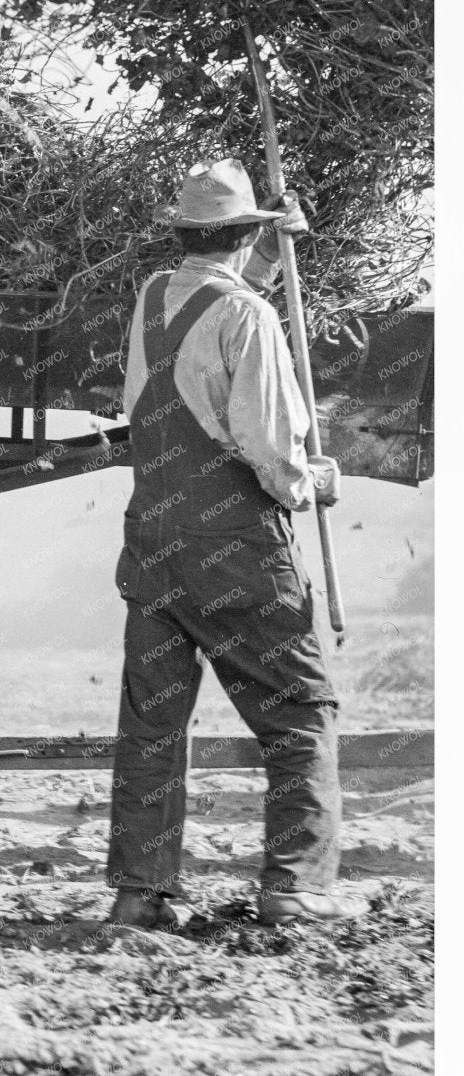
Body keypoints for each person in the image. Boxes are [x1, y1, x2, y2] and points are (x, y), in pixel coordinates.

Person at [107, 158, 347, 929]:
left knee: (153, 722)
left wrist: (270, 255)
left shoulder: (151, 299)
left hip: (153, 540)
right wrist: (314, 480)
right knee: (300, 712)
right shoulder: (251, 317)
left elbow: (204, 342)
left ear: (183, 234)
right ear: (245, 237)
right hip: (234, 543)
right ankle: (293, 888)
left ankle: (139, 894)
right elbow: (270, 444)